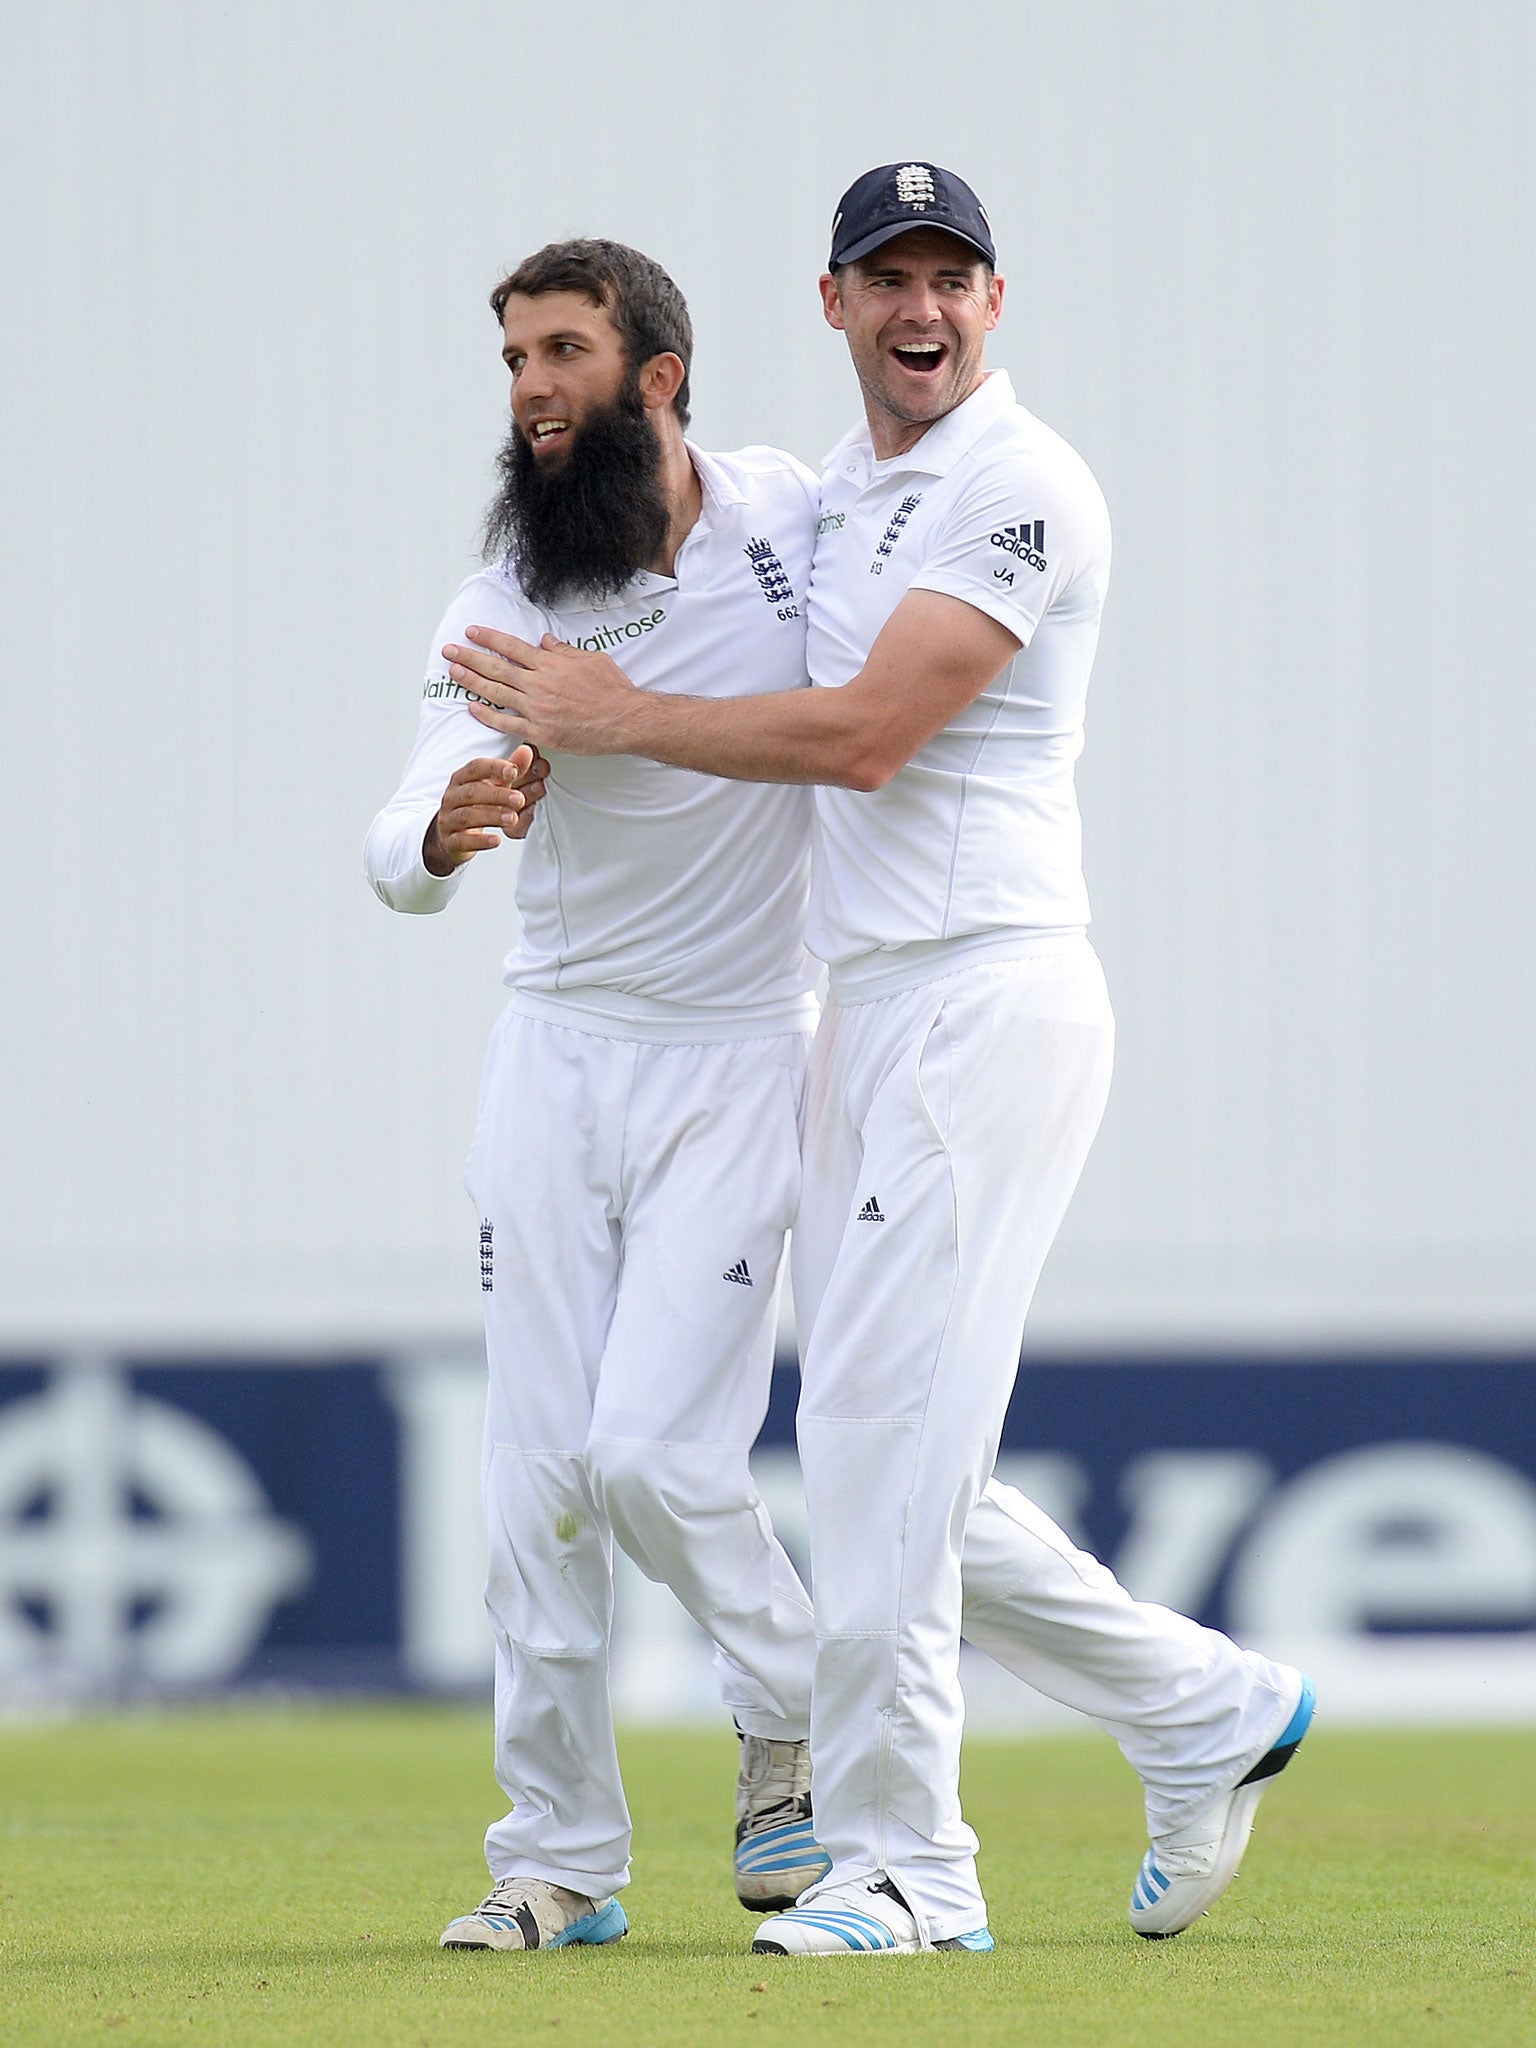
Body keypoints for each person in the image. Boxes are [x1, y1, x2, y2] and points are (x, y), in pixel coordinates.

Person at [440, 165, 1315, 1958]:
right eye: (885, 277)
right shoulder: (839, 490)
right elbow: (688, 537)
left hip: (988, 989)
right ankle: (1197, 1705)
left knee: (874, 1452)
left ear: (1000, 302)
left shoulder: (1019, 484)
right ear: (831, 305)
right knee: (883, 1454)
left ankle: (911, 1870)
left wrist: (616, 718)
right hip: (873, 1008)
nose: (922, 308)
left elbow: (867, 734)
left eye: (953, 278)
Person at [366, 238, 834, 1952]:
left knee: (649, 1456)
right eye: (510, 359)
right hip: (553, 1058)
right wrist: (439, 829)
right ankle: (555, 1860)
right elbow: (399, 820)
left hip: (735, 1056)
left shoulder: (797, 520)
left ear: (660, 377)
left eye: (562, 351)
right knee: (535, 1486)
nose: (530, 390)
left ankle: (788, 1719)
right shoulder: (506, 579)